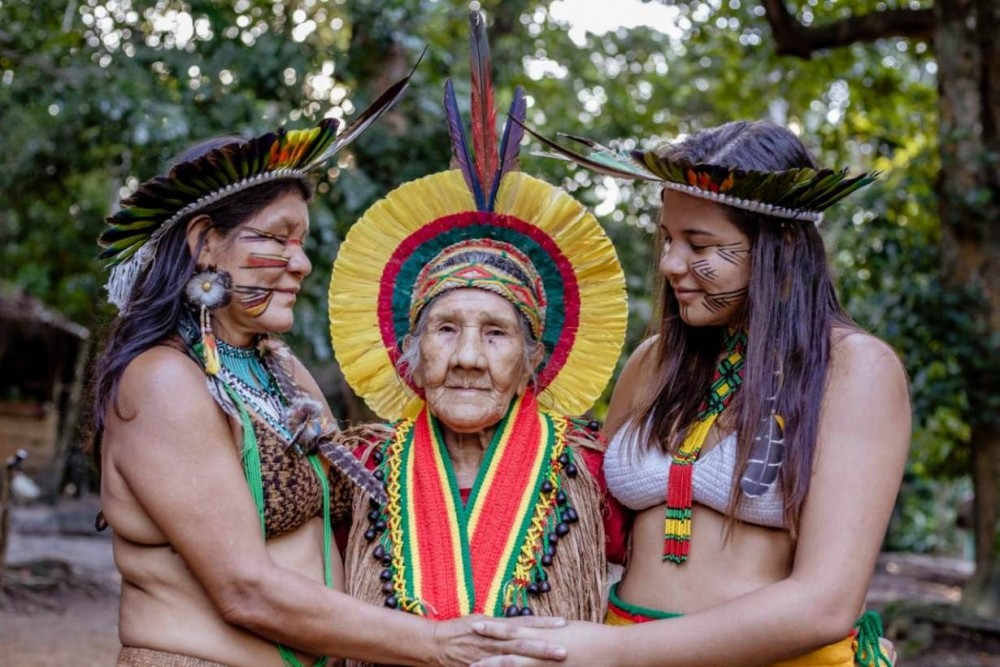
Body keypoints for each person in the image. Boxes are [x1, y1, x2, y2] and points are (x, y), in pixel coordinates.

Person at [92, 69, 566, 667]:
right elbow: (244, 589)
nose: (302, 264)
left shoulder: (280, 369)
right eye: (279, 240)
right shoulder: (162, 381)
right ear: (205, 244)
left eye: (303, 242)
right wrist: (439, 644)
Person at [470, 120, 909, 666]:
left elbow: (825, 605)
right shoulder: (653, 361)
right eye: (668, 238)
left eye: (698, 244)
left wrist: (615, 652)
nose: (670, 264)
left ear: (783, 246)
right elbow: (587, 528)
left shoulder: (853, 370)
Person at [326, 15, 629, 667]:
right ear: (410, 350)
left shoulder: (597, 470)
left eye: (496, 333)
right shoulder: (355, 469)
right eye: (445, 328)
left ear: (535, 358)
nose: (466, 357)